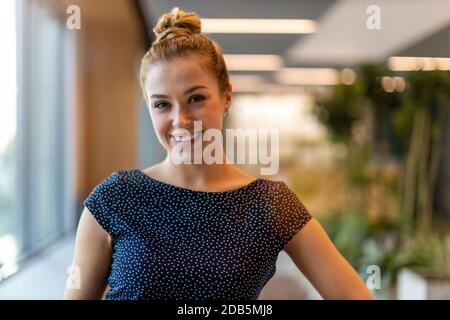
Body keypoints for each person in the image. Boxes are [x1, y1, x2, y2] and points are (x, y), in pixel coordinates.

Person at [63, 7, 373, 300]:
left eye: (196, 98)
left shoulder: (268, 204)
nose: (180, 120)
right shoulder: (115, 199)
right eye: (162, 104)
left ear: (226, 98)